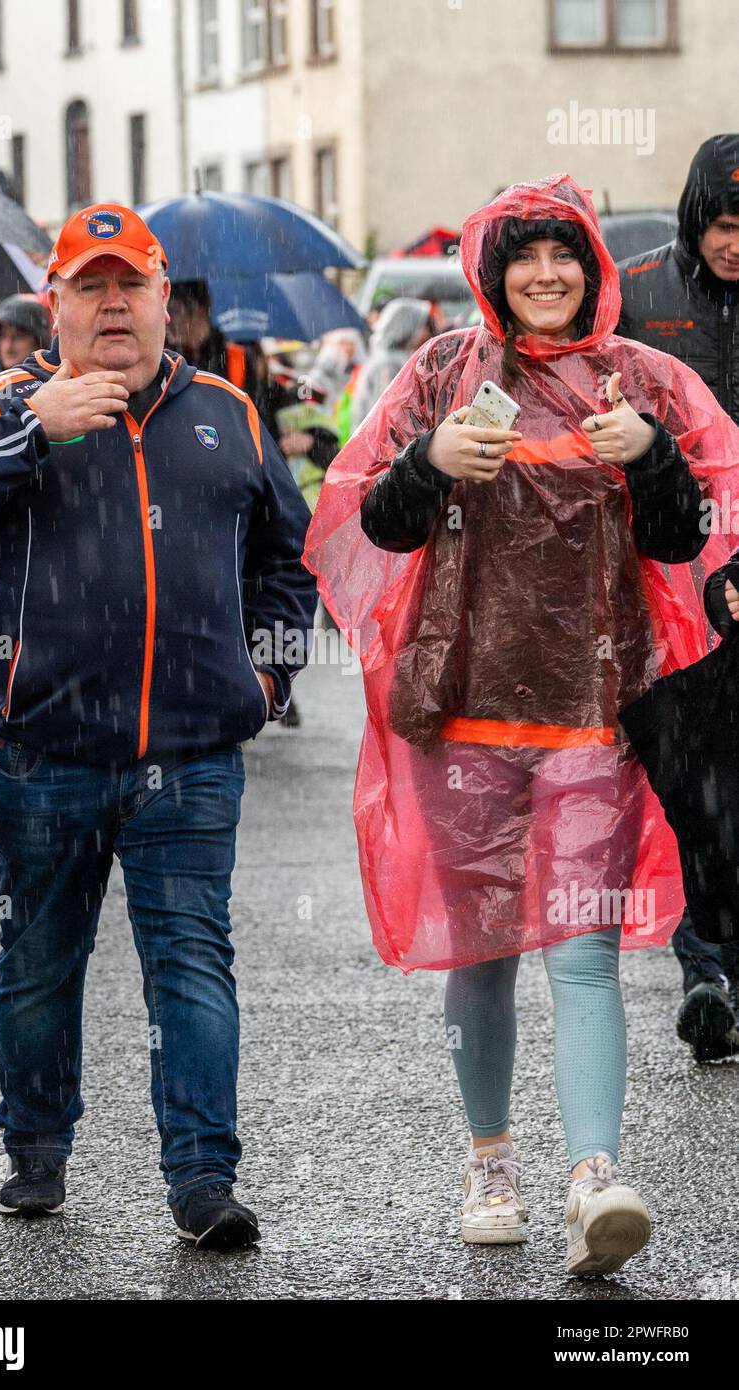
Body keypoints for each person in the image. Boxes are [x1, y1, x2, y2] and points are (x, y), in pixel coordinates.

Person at [304, 174, 739, 1275]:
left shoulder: (638, 379)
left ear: (591, 271)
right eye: (523, 257)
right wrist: (425, 461)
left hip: (592, 721)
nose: (544, 275)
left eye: (564, 257)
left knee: (582, 953)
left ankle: (594, 1175)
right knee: (486, 956)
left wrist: (647, 455)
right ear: (492, 272)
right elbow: (375, 520)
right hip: (462, 720)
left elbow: (686, 534)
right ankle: (489, 1160)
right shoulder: (444, 372)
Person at [0, 203, 316, 1248]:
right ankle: (35, 1149)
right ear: (56, 306)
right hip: (41, 753)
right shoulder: (0, 399)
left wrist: (264, 681)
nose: (114, 305)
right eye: (90, 287)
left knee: (192, 959)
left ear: (164, 303)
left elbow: (286, 559)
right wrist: (23, 436)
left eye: (131, 285)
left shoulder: (225, 407)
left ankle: (202, 1180)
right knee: (40, 961)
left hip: (188, 756)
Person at [617, 133, 739, 1062]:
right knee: (688, 780)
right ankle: (705, 959)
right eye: (725, 226)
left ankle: (716, 965)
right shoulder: (637, 292)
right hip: (669, 575)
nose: (736, 245)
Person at [350, 297, 438, 431]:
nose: (425, 333)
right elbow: (389, 417)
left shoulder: (389, 357)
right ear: (406, 326)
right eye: (423, 326)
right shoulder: (388, 364)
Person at [0, 294, 51, 369]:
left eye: (18, 336)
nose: (8, 347)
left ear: (39, 341)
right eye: (2, 335)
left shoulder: (57, 379)